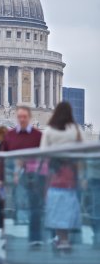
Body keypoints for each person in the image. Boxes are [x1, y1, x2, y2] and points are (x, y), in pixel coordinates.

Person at [0, 106, 45, 248]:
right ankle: (9, 238)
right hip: (13, 177)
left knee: (35, 208)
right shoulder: (9, 136)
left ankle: (35, 237)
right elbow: (2, 159)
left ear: (29, 117)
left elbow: (44, 158)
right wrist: (0, 179)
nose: (22, 119)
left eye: (24, 117)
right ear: (16, 118)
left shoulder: (38, 136)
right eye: (20, 117)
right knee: (10, 207)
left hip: (33, 177)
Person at [41, 101, 84, 251]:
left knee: (56, 205)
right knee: (71, 204)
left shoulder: (49, 130)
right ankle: (67, 238)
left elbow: (43, 152)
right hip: (72, 173)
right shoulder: (76, 129)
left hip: (55, 173)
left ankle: (60, 238)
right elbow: (83, 150)